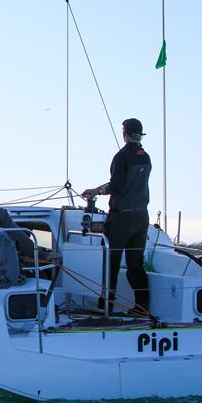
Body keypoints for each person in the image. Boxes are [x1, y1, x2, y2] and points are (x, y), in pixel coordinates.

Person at [82, 118, 152, 314]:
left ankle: (106, 306)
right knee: (135, 265)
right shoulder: (145, 157)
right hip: (141, 218)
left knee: (110, 263)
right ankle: (142, 307)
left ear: (125, 133)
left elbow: (117, 187)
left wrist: (94, 191)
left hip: (122, 219)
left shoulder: (121, 157)